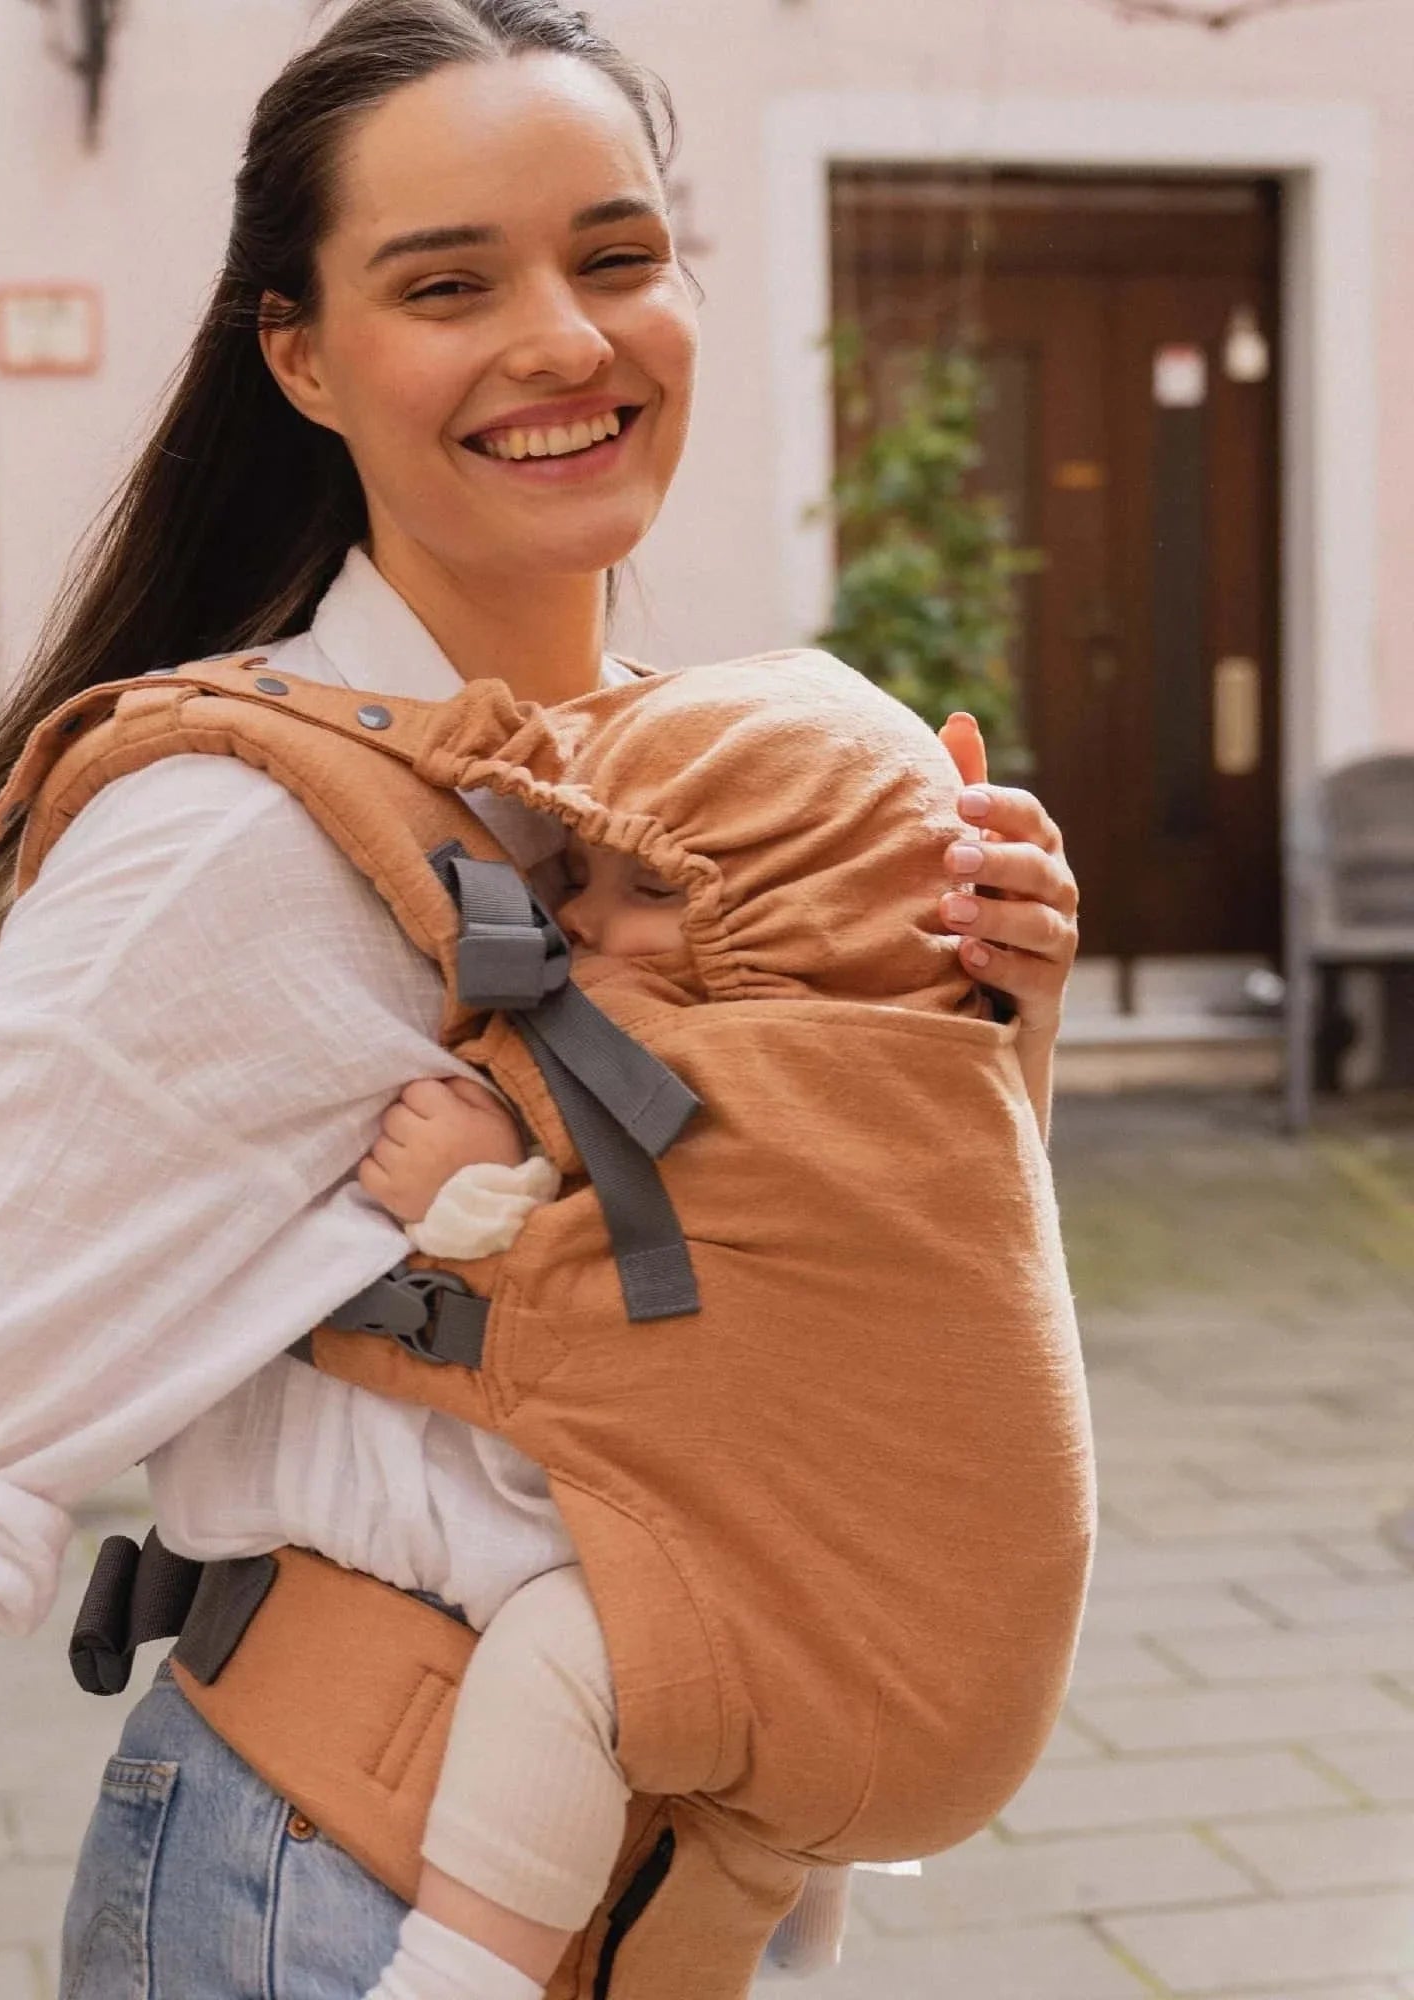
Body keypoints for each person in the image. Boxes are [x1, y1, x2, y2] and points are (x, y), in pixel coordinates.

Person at [0, 6, 1079, 1998]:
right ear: (300, 351)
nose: (562, 334)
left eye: (615, 254)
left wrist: (982, 1037)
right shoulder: (235, 836)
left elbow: (830, 1334)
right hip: (335, 1898)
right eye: (446, 282)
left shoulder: (694, 795)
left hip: (645, 1904)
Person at [347, 673, 996, 2000]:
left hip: (856, 1663)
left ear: (820, 907)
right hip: (904, 1638)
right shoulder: (933, 1052)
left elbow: (649, 1317)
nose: (574, 912)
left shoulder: (756, 1068)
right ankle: (787, 1897)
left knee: (565, 1653)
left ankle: (460, 1974)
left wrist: (464, 1205)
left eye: (647, 890)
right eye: (579, 871)